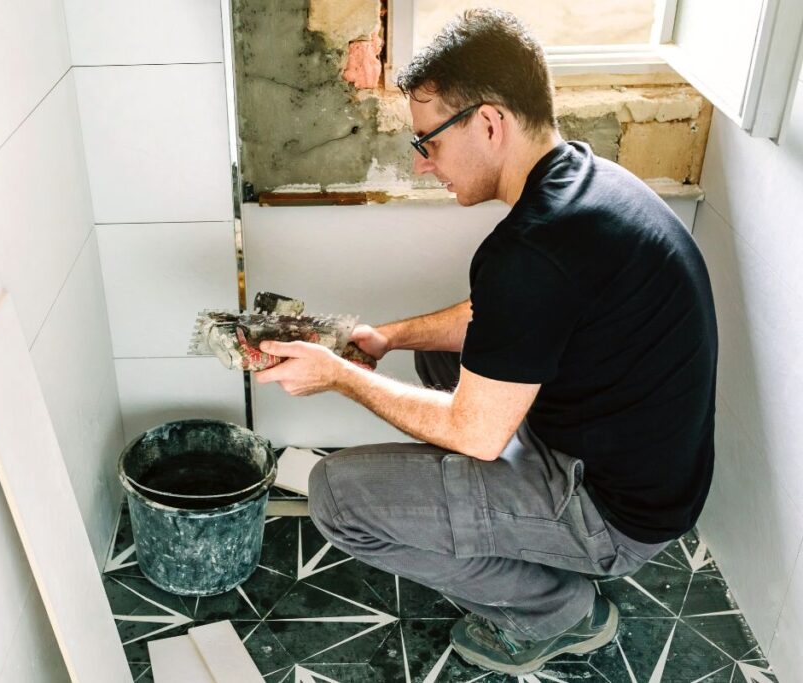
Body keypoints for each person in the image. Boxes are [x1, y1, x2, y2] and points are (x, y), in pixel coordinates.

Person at [254, 7, 718, 676]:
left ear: (490, 122)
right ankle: (503, 515)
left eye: (429, 142)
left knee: (336, 496)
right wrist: (387, 337)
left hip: (612, 515)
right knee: (438, 352)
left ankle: (557, 611)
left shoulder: (529, 250)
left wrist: (338, 374)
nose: (422, 165)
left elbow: (475, 434)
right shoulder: (587, 182)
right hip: (650, 476)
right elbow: (497, 315)